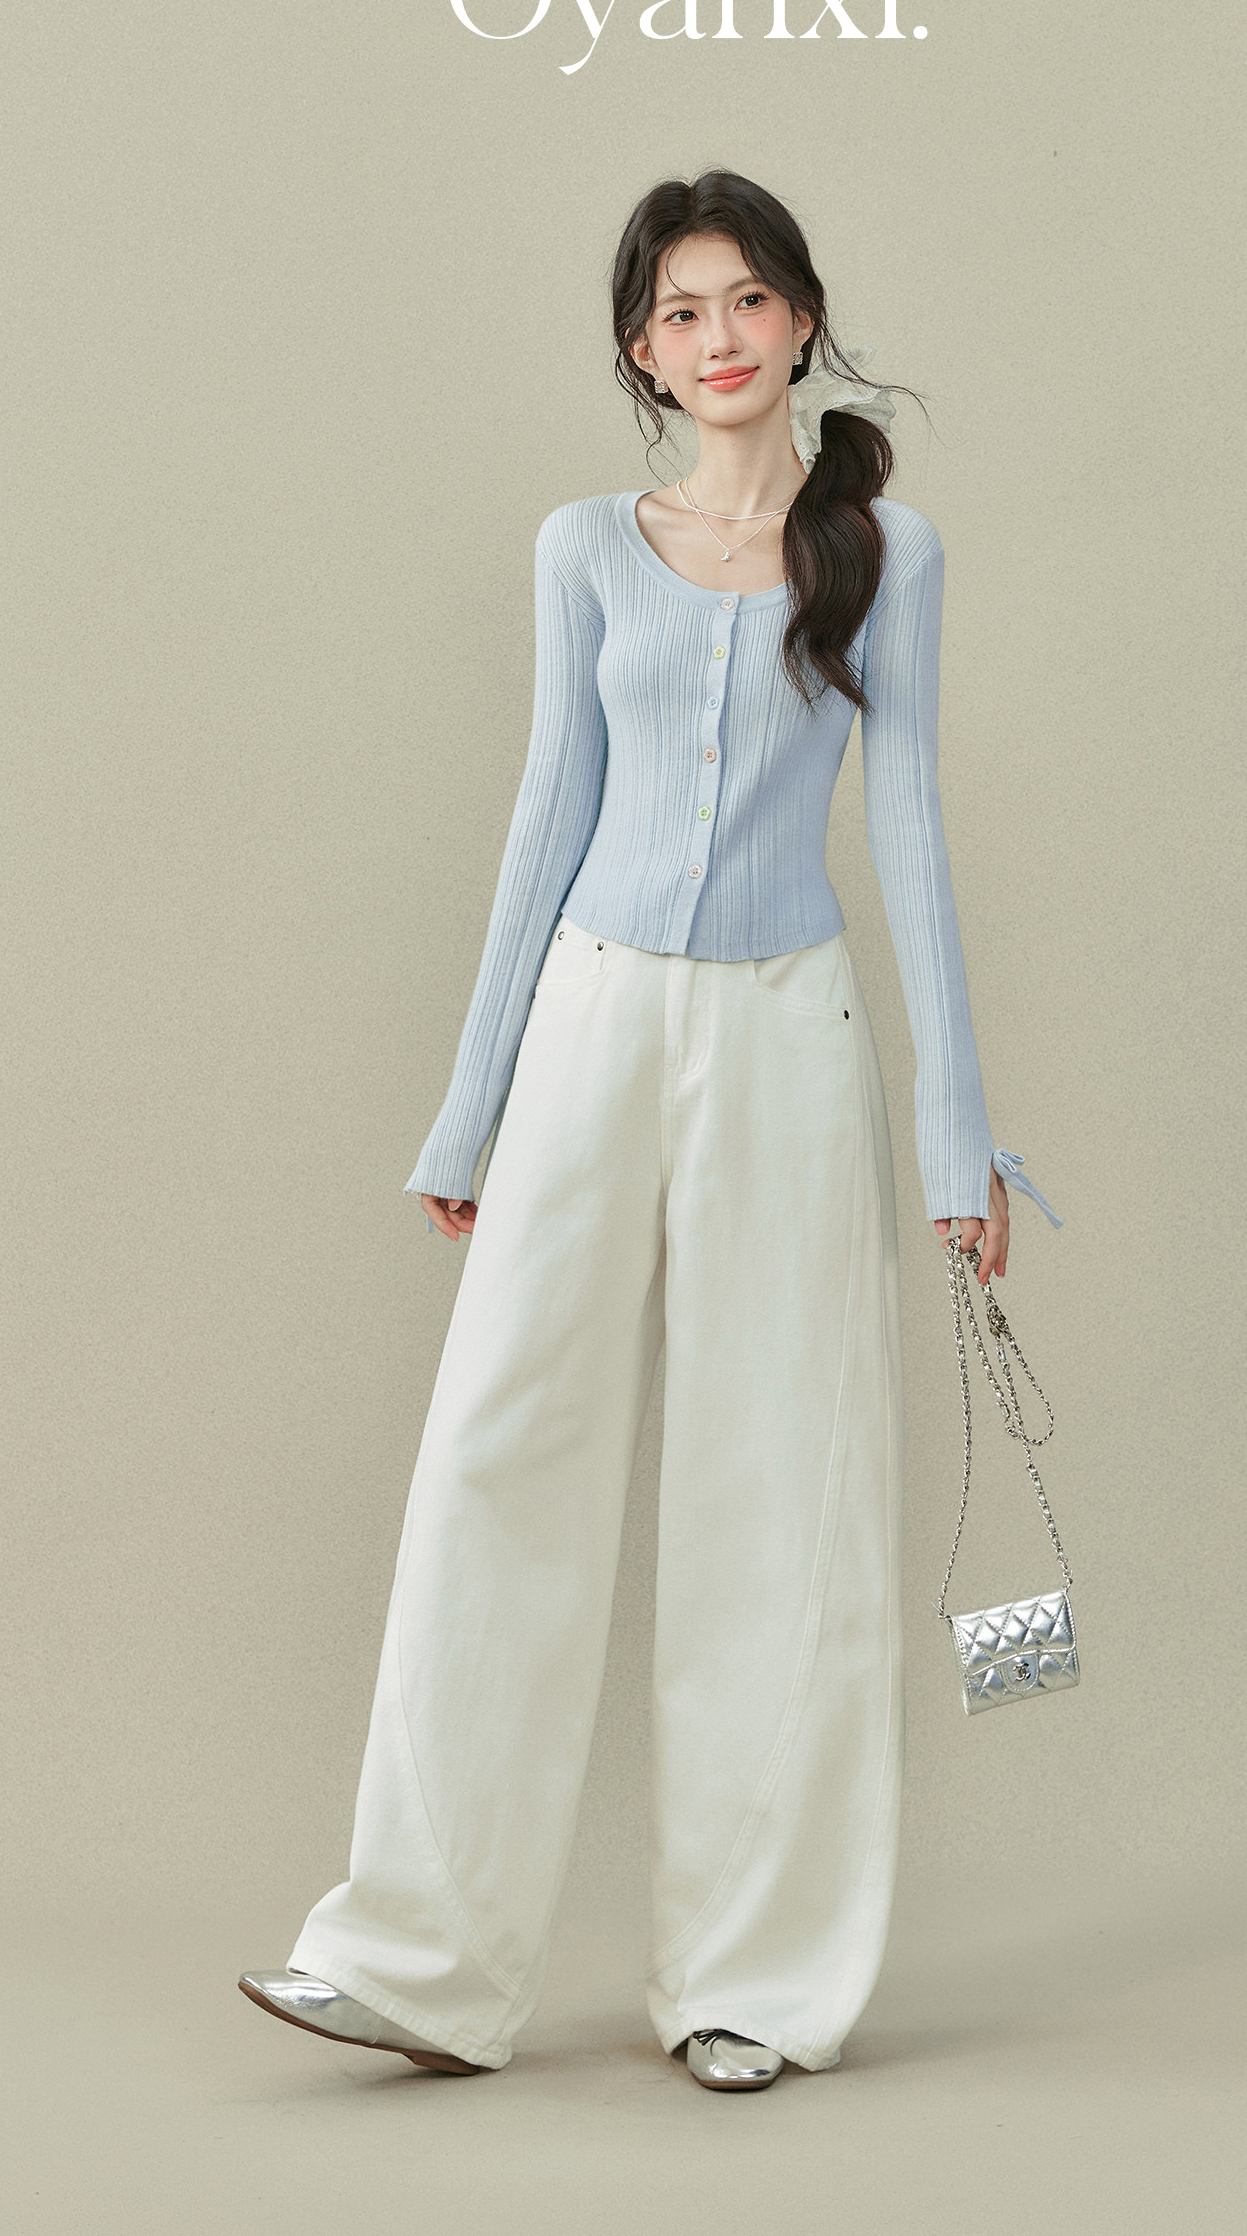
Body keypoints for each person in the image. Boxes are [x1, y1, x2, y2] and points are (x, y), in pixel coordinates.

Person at [239, 168, 1061, 2094]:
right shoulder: (585, 549)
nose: (721, 336)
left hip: (791, 1031)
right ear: (643, 349)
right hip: (595, 1023)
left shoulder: (889, 552)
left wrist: (957, 1138)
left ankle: (754, 1982)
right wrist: (470, 1109)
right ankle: (420, 1957)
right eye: (683, 310)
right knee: (496, 1451)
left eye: (750, 299)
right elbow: (546, 820)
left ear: (802, 319)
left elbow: (912, 832)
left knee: (782, 1480)